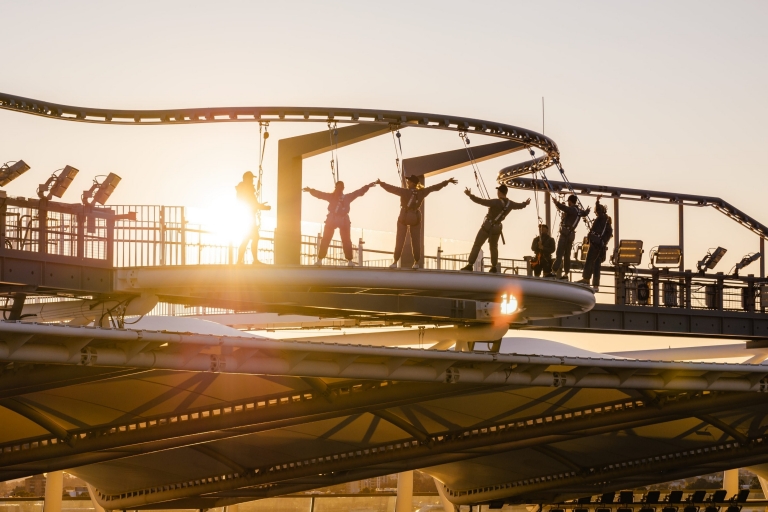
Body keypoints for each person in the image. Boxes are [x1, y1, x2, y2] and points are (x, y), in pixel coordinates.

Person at [377, 174, 457, 269]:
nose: (407, 182)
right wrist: (446, 182)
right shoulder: (422, 192)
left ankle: (395, 262)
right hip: (415, 218)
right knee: (416, 241)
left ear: (412, 183)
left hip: (404, 217)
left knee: (400, 240)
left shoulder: (404, 192)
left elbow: (391, 189)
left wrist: (381, 183)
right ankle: (416, 262)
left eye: (408, 181)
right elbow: (434, 188)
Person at [303, 180, 375, 266]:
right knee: (344, 241)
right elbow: (358, 192)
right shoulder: (347, 197)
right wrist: (368, 186)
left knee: (328, 239)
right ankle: (349, 261)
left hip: (333, 219)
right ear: (342, 188)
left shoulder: (332, 197)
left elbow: (320, 195)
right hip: (342, 220)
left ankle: (320, 260)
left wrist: (310, 190)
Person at [461, 184, 530, 273]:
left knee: (477, 244)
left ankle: (470, 265)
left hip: (488, 226)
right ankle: (494, 267)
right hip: (497, 228)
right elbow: (519, 206)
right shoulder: (510, 204)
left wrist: (470, 195)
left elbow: (481, 201)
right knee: (493, 247)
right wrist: (525, 203)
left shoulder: (496, 202)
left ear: (499, 192)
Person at [549, 192, 590, 280]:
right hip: (571, 235)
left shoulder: (572, 209)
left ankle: (553, 272)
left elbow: (563, 208)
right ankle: (566, 274)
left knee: (559, 253)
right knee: (567, 255)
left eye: (568, 202)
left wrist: (556, 203)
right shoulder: (579, 211)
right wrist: (588, 210)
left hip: (565, 234)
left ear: (570, 201)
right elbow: (585, 213)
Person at [235, 171, 271, 264]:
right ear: (247, 178)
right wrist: (262, 207)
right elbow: (251, 204)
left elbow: (251, 203)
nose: (252, 180)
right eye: (251, 178)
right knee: (251, 238)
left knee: (248, 238)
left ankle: (241, 261)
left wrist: (260, 206)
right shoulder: (247, 189)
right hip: (248, 218)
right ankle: (252, 260)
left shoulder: (243, 189)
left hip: (246, 217)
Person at [577, 199, 613, 291]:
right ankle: (595, 285)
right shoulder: (607, 224)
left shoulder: (602, 217)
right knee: (596, 265)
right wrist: (601, 242)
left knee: (589, 261)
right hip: (600, 246)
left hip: (595, 244)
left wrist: (597, 201)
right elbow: (607, 237)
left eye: (596, 211)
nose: (595, 213)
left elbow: (599, 211)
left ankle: (586, 279)